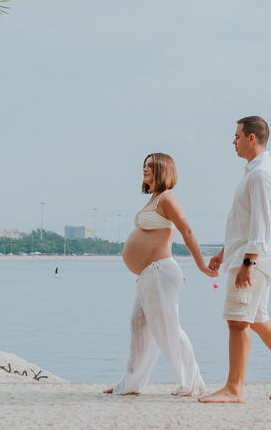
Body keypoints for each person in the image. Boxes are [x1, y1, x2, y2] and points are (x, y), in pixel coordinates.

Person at [199, 116, 271, 403]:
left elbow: (262, 223)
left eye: (236, 136)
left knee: (237, 321)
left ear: (251, 138)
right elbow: (243, 221)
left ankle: (235, 389)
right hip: (246, 256)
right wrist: (224, 253)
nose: (232, 142)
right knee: (257, 318)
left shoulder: (262, 173)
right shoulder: (254, 171)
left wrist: (247, 263)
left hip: (252, 261)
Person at [105, 153, 217, 396]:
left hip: (160, 272)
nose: (144, 169)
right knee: (138, 328)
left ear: (162, 169)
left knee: (168, 329)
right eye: (143, 165)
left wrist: (201, 266)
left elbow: (187, 231)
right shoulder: (153, 198)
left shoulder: (168, 198)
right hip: (147, 276)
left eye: (150, 166)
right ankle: (129, 384)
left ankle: (192, 383)